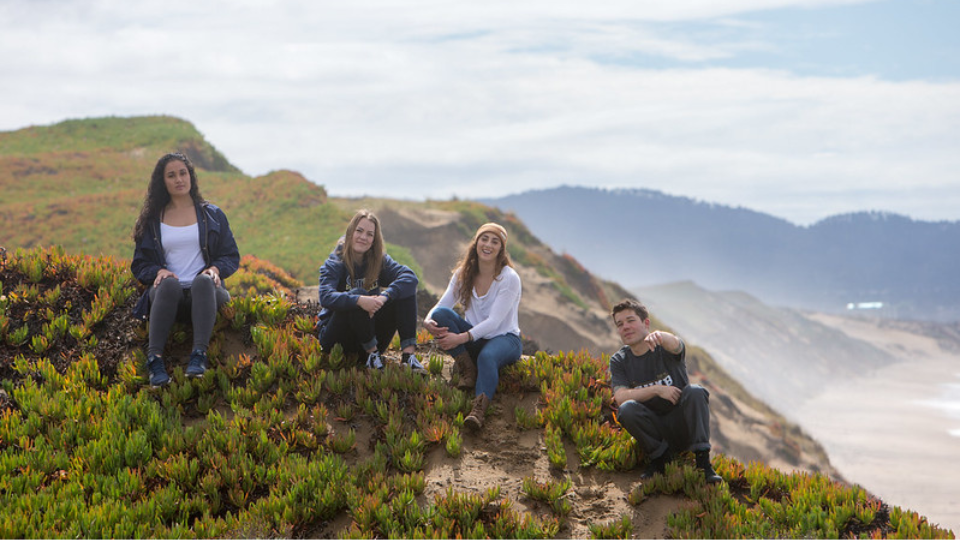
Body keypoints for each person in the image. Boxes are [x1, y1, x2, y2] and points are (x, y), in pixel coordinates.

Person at [131, 152, 240, 387]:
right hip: (167, 296)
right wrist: (157, 272)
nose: (179, 179)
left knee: (203, 281)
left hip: (206, 295)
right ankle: (154, 360)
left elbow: (231, 256)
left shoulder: (213, 215)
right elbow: (140, 264)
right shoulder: (152, 220)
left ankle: (198, 355)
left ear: (191, 176)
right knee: (169, 283)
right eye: (171, 175)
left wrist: (215, 269)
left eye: (183, 173)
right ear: (163, 182)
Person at [608, 298, 722, 484]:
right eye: (620, 324)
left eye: (630, 320)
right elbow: (620, 397)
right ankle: (660, 459)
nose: (625, 327)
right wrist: (657, 390)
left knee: (695, 391)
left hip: (682, 425)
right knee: (627, 408)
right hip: (654, 432)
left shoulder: (664, 348)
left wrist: (661, 335)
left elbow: (677, 345)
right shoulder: (619, 360)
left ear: (646, 323)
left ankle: (703, 463)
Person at [424, 222, 522, 431]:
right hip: (475, 338)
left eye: (495, 241)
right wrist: (427, 320)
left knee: (487, 357)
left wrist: (459, 339)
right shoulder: (463, 273)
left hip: (505, 339)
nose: (488, 245)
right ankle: (468, 369)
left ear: (501, 249)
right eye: (484, 239)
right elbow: (442, 306)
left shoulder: (509, 278)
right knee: (441, 315)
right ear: (476, 243)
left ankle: (478, 411)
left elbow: (494, 322)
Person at [316, 209, 421, 370]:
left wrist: (385, 296)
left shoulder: (378, 260)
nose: (363, 237)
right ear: (350, 232)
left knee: (404, 290)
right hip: (337, 338)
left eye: (369, 234)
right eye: (359, 231)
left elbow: (410, 278)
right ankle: (372, 356)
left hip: (370, 334)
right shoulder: (335, 262)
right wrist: (359, 300)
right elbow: (325, 296)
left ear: (374, 240)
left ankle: (408, 357)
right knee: (358, 293)